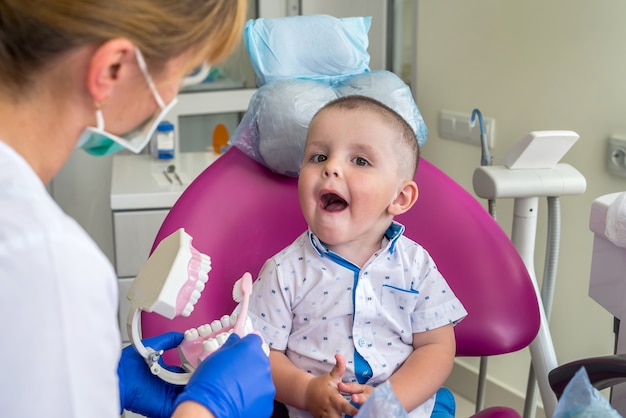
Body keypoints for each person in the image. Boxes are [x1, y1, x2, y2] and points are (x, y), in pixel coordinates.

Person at [0, 1, 274, 417]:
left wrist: (98, 378)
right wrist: (206, 410)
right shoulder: (47, 262)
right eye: (184, 73)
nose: (172, 94)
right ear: (113, 69)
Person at [247, 95, 468, 418]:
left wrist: (391, 401)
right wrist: (307, 391)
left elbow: (437, 347)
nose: (331, 168)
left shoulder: (416, 265)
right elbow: (262, 355)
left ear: (400, 197)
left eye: (360, 161)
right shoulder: (283, 271)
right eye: (318, 156)